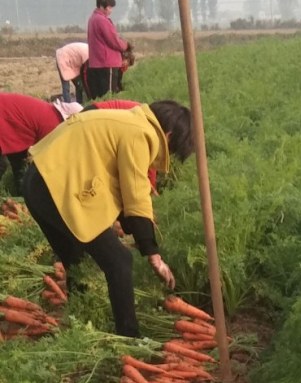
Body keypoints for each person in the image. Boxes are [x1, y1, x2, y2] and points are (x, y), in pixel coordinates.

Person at [22, 101, 193, 338]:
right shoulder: (140, 134)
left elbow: (119, 184)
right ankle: (130, 338)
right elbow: (135, 193)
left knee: (75, 258)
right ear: (169, 135)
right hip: (55, 189)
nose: (169, 155)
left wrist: (134, 228)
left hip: (37, 182)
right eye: (173, 150)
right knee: (120, 261)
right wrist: (153, 254)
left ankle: (79, 324)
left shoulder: (127, 121)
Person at [0, 94, 82, 194]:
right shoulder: (52, 124)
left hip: (11, 121)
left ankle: (22, 195)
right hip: (4, 116)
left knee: (20, 164)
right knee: (2, 165)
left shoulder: (50, 112)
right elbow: (46, 158)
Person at [85, 0, 133, 99]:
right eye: (109, 7)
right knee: (109, 97)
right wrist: (126, 45)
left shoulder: (92, 19)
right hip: (107, 63)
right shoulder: (102, 20)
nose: (111, 10)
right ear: (102, 6)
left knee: (99, 98)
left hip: (96, 63)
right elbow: (114, 41)